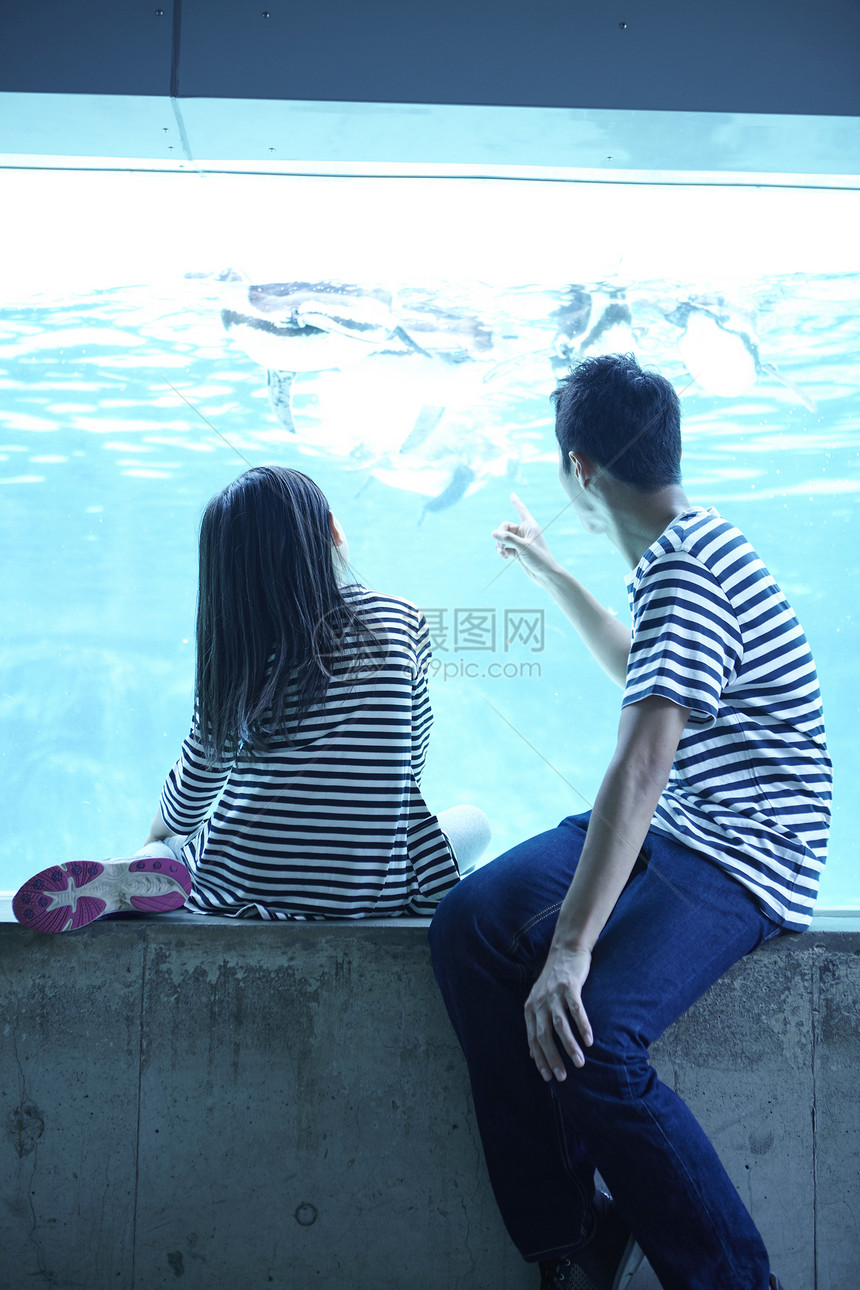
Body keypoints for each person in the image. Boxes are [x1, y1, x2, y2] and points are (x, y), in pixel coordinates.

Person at [429, 354, 830, 1290]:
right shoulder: (680, 553)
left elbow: (642, 763)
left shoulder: (689, 566)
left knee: (598, 1041)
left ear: (580, 469)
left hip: (746, 854)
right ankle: (576, 1233)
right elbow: (643, 675)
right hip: (686, 824)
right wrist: (553, 575)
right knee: (470, 928)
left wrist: (570, 949)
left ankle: (735, 1279)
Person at [14, 466, 489, 933]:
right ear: (333, 531)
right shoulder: (402, 619)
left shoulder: (240, 647)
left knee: (172, 849)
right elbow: (411, 758)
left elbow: (198, 778)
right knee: (474, 822)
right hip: (365, 892)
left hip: (239, 882)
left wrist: (159, 832)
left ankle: (139, 866)